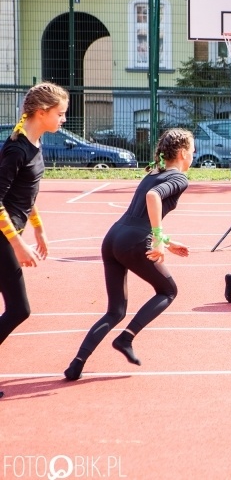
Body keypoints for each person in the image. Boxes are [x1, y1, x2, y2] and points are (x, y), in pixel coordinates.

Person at [63, 129, 194, 381]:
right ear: (182, 153)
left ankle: (77, 363)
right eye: (193, 150)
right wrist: (157, 238)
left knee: (115, 311)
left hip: (113, 238)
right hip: (133, 241)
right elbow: (153, 197)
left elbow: (139, 215)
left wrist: (166, 241)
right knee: (168, 291)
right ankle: (126, 338)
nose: (194, 156)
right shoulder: (178, 177)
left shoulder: (154, 173)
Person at [0, 82, 69, 399]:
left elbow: (26, 193)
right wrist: (18, 243)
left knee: (17, 308)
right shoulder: (17, 149)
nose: (63, 119)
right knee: (19, 309)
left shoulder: (32, 143)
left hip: (12, 231)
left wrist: (38, 228)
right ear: (41, 113)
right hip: (3, 236)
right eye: (60, 114)